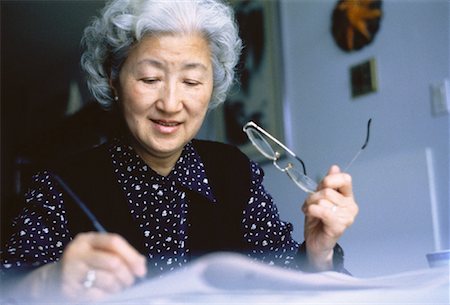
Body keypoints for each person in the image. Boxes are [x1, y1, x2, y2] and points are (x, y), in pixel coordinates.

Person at [1, 0, 359, 302]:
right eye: (150, 79)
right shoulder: (60, 183)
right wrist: (50, 282)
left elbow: (286, 285)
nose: (171, 104)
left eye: (191, 81)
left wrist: (318, 250)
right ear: (114, 82)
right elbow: (10, 285)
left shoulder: (235, 171)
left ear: (211, 88)